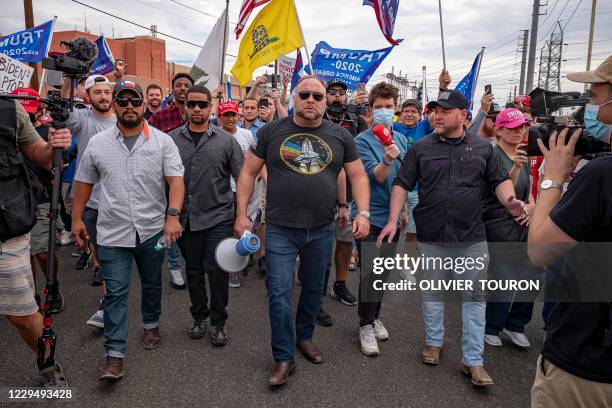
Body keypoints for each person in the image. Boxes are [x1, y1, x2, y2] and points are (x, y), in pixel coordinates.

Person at [378, 89, 527, 387]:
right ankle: (434, 342)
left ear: (462, 115)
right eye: (435, 110)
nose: (437, 115)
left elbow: (499, 181)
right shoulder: (420, 148)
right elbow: (401, 185)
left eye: (445, 111)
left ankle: (473, 361)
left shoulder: (482, 148)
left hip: (472, 236)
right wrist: (393, 220)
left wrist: (510, 200)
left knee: (474, 299)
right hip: (432, 234)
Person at [234, 76, 370, 387]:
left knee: (312, 290)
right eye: (304, 94)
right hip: (280, 229)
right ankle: (283, 356)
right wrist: (241, 213)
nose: (311, 100)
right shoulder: (271, 131)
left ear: (325, 102)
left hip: (322, 229)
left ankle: (304, 337)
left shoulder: (340, 137)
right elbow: (248, 171)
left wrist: (362, 211)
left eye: (317, 96)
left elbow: (358, 176)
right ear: (295, 97)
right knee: (279, 294)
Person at [72, 80, 185, 381]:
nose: (129, 106)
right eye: (123, 101)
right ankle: (115, 355)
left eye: (135, 101)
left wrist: (172, 217)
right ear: (116, 105)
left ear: (143, 105)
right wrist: (76, 219)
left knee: (151, 285)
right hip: (112, 233)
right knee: (116, 293)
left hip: (151, 232)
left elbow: (176, 181)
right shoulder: (98, 144)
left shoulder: (163, 142)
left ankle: (151, 324)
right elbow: (83, 181)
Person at [529, 55, 612, 408]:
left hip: (587, 365)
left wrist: (554, 178)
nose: (590, 96)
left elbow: (540, 251)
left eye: (597, 90)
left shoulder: (601, 175)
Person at [0, 96, 72, 386]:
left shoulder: (8, 108)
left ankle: (47, 363)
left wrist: (54, 143)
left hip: (6, 231)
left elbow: (40, 153)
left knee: (22, 314)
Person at [169, 86, 243, 346]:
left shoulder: (226, 141)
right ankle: (199, 316)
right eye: (192, 105)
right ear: (185, 107)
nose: (197, 109)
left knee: (218, 270)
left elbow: (242, 178)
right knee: (194, 270)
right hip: (185, 219)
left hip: (219, 217)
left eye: (202, 104)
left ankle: (218, 321)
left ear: (211, 107)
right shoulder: (171, 140)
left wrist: (241, 215)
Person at [354, 82, 408, 356]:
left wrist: (404, 212)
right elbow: (374, 177)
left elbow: (405, 180)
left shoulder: (400, 139)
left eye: (389, 107)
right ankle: (365, 323)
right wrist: (386, 160)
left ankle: (374, 316)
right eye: (379, 108)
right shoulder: (361, 141)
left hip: (393, 218)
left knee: (383, 273)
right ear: (370, 109)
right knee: (370, 273)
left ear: (395, 108)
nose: (385, 111)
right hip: (369, 216)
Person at [481, 108, 538, 349]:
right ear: (500, 129)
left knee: (536, 273)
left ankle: (515, 324)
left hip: (523, 223)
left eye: (523, 127)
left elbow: (531, 192)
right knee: (506, 276)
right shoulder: (491, 155)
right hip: (498, 221)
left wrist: (532, 209)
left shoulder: (523, 156)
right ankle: (492, 325)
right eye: (513, 128)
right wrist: (514, 167)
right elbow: (501, 190)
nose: (519, 132)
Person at [319, 80, 369, 324]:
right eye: (332, 92)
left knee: (345, 242)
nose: (337, 96)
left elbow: (364, 148)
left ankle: (339, 285)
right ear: (325, 96)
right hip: (321, 191)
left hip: (348, 192)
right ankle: (316, 293)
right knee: (320, 246)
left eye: (341, 93)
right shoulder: (317, 115)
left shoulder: (354, 120)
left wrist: (366, 115)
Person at [12, 88, 64, 313]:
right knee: (24, 253)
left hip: (41, 197)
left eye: (31, 110)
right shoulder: (8, 127)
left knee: (41, 250)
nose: (28, 113)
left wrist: (52, 148)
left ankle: (52, 287)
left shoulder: (46, 132)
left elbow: (57, 164)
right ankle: (30, 293)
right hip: (14, 200)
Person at [62, 74, 116, 287]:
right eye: (97, 92)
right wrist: (69, 79)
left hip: (115, 192)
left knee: (110, 238)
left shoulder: (122, 118)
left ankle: (105, 266)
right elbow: (63, 112)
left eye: (106, 92)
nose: (103, 97)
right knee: (94, 237)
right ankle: (97, 265)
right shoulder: (82, 118)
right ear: (87, 95)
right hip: (90, 194)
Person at [217, 100, 256, 288]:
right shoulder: (215, 136)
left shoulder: (247, 134)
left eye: (233, 114)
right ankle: (231, 269)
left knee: (243, 228)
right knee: (228, 229)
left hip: (244, 189)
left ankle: (241, 260)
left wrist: (266, 181)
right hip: (222, 192)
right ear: (220, 118)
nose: (231, 118)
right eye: (226, 115)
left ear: (238, 116)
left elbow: (257, 161)